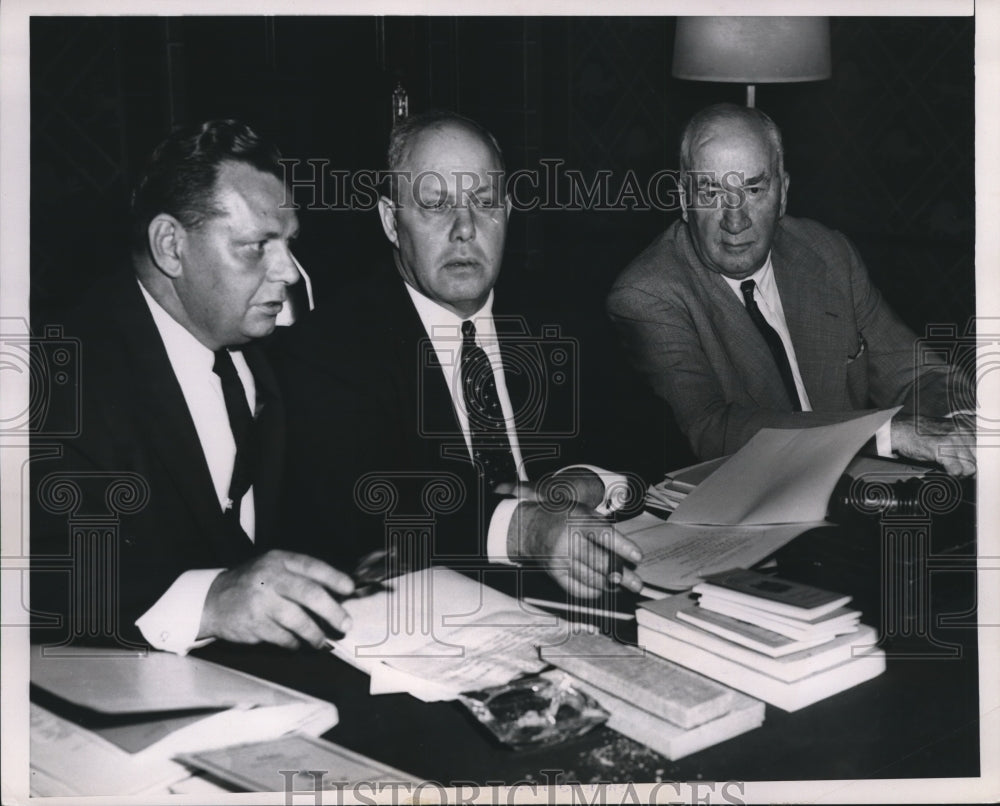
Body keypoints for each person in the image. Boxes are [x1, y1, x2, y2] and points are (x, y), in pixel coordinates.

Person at [276, 110, 643, 599]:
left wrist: (591, 481)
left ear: (508, 212)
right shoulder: (331, 344)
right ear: (391, 220)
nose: (465, 228)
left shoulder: (560, 313)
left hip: (594, 587)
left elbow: (653, 435)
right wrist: (528, 529)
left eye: (484, 202)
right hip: (432, 615)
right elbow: (370, 501)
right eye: (435, 205)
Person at [31, 120, 356, 654]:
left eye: (288, 243)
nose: (290, 273)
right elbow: (39, 576)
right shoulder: (55, 377)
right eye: (256, 246)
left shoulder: (275, 354)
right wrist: (209, 601)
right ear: (170, 246)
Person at [607, 103, 975, 477]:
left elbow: (917, 374)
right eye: (712, 192)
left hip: (855, 492)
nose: (735, 220)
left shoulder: (827, 254)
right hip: (744, 507)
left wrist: (964, 426)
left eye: (753, 188)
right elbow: (711, 430)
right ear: (685, 199)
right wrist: (882, 433)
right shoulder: (647, 294)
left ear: (782, 193)